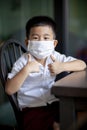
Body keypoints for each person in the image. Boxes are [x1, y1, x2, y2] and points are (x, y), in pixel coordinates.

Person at [5, 16, 86, 130]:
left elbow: (82, 65)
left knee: (79, 113)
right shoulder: (23, 62)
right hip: (32, 108)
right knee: (56, 126)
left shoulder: (54, 56)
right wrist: (26, 70)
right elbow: (9, 89)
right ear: (27, 42)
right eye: (36, 38)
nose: (41, 42)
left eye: (46, 37)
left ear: (54, 43)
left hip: (53, 103)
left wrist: (62, 66)